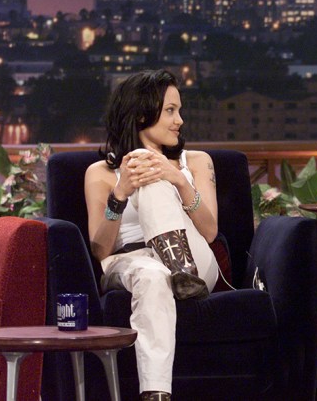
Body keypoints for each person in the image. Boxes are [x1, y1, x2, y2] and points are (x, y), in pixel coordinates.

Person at [85, 69, 220, 401]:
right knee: (151, 276)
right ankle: (156, 395)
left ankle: (180, 270)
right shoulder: (100, 173)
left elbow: (210, 230)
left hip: (196, 263)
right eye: (170, 111)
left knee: (153, 171)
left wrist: (179, 180)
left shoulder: (198, 162)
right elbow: (101, 249)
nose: (180, 120)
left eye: (179, 110)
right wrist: (120, 193)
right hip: (131, 262)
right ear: (143, 113)